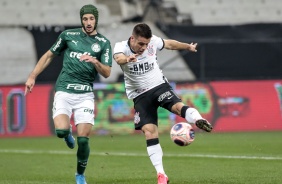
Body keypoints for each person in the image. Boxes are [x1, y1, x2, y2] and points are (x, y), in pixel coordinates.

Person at [113, 23, 213, 184]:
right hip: (140, 95)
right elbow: (118, 58)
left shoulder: (152, 42)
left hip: (158, 86)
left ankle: (198, 120)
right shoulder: (121, 47)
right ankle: (161, 174)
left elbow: (170, 44)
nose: (144, 47)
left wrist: (187, 46)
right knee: (149, 131)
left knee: (178, 107)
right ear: (132, 39)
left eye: (146, 44)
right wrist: (127, 59)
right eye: (140, 44)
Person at [24, 4, 112, 184]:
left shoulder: (103, 43)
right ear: (81, 19)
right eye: (85, 18)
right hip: (64, 90)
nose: (88, 22)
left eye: (92, 18)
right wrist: (32, 76)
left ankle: (80, 174)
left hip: (85, 94)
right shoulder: (68, 36)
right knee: (61, 131)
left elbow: (107, 72)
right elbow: (48, 55)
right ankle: (67, 134)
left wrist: (95, 61)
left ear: (96, 19)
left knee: (84, 140)